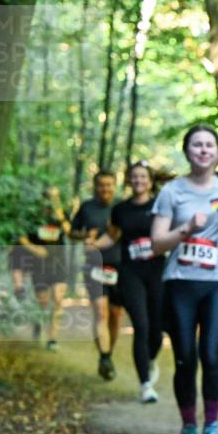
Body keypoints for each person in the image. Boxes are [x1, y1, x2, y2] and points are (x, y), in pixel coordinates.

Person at [151, 124, 218, 434]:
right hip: (179, 283)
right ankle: (189, 424)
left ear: (215, 149)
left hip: (216, 283)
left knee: (213, 356)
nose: (203, 150)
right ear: (187, 151)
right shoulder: (172, 192)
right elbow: (156, 242)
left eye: (209, 145)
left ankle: (213, 426)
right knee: (185, 359)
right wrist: (186, 228)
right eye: (196, 145)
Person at [93, 162, 165, 403]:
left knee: (157, 330)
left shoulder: (160, 205)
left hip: (156, 271)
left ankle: (151, 359)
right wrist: (92, 246)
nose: (138, 181)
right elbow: (112, 236)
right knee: (141, 326)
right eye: (134, 177)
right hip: (131, 272)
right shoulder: (120, 209)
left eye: (143, 177)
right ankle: (145, 384)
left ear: (150, 181)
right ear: (129, 180)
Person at [69, 171, 123, 380]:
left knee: (115, 314)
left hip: (119, 266)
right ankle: (105, 357)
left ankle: (108, 352)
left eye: (109, 185)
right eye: (101, 185)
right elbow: (72, 232)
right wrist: (85, 235)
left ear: (115, 186)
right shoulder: (87, 207)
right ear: (95, 186)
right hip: (93, 265)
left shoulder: (121, 208)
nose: (105, 189)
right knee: (100, 312)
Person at [13, 186, 71, 350]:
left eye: (55, 197)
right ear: (43, 198)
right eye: (48, 197)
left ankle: (52, 339)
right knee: (43, 302)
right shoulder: (34, 217)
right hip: (39, 266)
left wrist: (59, 215)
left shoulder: (63, 215)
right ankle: (37, 323)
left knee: (58, 300)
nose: (51, 201)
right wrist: (35, 249)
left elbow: (69, 231)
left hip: (59, 264)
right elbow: (22, 237)